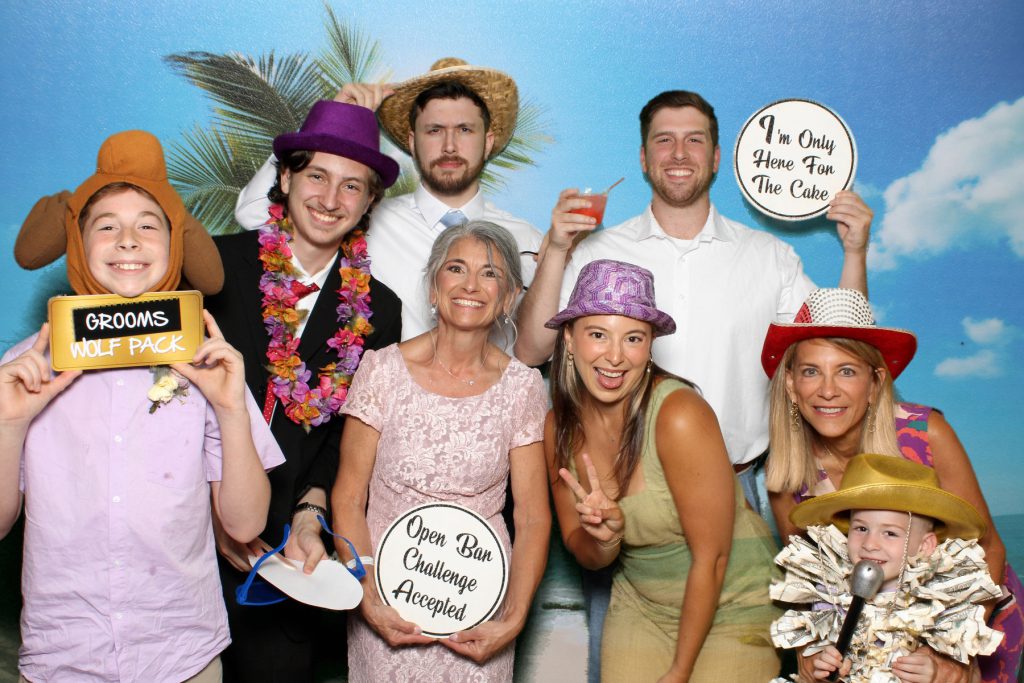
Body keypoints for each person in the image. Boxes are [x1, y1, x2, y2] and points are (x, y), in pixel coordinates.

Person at [516, 89, 872, 681]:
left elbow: (843, 340)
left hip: (746, 486)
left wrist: (855, 252)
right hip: (626, 495)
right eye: (663, 139)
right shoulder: (599, 252)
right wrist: (556, 248)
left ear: (716, 159)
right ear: (642, 156)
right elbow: (531, 350)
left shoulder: (768, 255)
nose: (678, 152)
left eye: (694, 140)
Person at [1, 130, 284, 682]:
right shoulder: (23, 368)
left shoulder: (210, 368)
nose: (127, 240)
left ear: (176, 245)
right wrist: (8, 425)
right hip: (63, 656)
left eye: (147, 226)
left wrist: (230, 411)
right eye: (106, 226)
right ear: (78, 246)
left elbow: (245, 522)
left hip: (184, 654)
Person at [203, 100, 404, 681]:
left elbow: (349, 432)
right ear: (285, 176)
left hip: (284, 558)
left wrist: (312, 512)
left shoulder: (379, 309)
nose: (330, 199)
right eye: (317, 175)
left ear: (368, 203)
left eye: (352, 187)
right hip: (180, 544)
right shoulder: (215, 267)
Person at [762, 287, 1023, 682]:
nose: (827, 389)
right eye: (811, 371)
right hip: (864, 639)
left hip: (967, 619)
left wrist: (951, 653)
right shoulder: (786, 472)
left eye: (847, 370)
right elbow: (810, 583)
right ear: (790, 386)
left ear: (876, 382)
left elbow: (988, 547)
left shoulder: (925, 433)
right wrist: (810, 651)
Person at [331, 221, 550, 682]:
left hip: (478, 609)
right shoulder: (382, 370)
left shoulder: (523, 387)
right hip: (387, 604)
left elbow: (532, 516)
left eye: (489, 274)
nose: (471, 285)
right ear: (434, 286)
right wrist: (366, 591)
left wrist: (514, 615)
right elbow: (349, 497)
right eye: (456, 268)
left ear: (508, 297)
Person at [545, 259, 780, 682]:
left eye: (632, 338)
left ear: (650, 345)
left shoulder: (679, 414)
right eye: (598, 335)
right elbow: (586, 554)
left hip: (732, 603)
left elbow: (713, 557)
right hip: (642, 605)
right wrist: (607, 538)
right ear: (570, 338)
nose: (615, 357)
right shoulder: (558, 427)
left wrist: (678, 671)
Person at [235, 57, 543, 341]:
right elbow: (253, 215)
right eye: (434, 130)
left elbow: (535, 348)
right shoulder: (364, 218)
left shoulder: (527, 240)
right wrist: (326, 124)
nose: (450, 146)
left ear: (487, 142)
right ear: (412, 141)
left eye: (464, 130)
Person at [771, 453, 1003, 682]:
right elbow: (813, 666)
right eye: (861, 529)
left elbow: (964, 673)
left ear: (925, 545)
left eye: (890, 533)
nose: (870, 544)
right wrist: (824, 665)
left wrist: (936, 672)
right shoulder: (830, 593)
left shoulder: (941, 601)